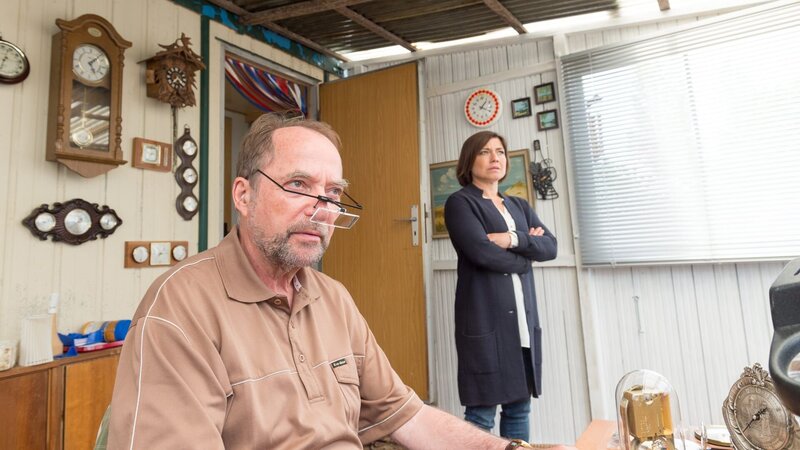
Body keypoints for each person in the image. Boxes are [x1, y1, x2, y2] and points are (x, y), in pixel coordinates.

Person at [107, 113, 571, 450]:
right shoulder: (181, 306)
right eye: (298, 185)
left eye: (332, 192)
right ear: (243, 195)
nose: (323, 208)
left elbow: (404, 415)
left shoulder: (333, 298)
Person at [444, 130, 558, 441]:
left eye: (500, 152)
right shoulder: (460, 203)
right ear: (470, 160)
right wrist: (526, 259)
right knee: (481, 412)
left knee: (519, 407)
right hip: (484, 321)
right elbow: (481, 253)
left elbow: (550, 246)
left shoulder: (519, 205)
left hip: (522, 323)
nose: (496, 158)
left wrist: (513, 239)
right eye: (485, 152)